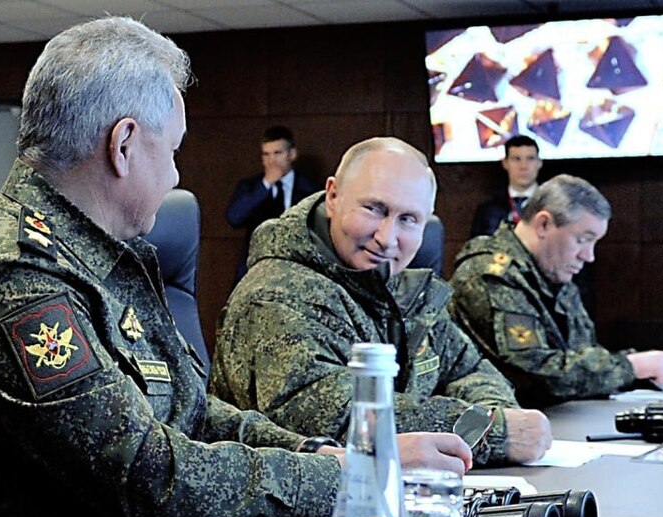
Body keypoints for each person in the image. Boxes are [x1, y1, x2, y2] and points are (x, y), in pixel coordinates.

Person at [0, 18, 471, 517]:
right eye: (172, 151)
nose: (175, 176)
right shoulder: (12, 274)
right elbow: (147, 476)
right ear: (123, 144)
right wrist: (353, 479)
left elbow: (194, 412)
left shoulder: (107, 255)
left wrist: (325, 457)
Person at [210, 137, 552, 467]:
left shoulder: (397, 285)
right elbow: (336, 420)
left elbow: (469, 369)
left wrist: (497, 415)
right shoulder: (276, 295)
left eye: (408, 219)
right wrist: (492, 430)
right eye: (374, 209)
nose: (387, 239)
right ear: (333, 196)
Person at [450, 174, 663, 407]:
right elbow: (535, 373)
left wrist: (657, 365)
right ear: (543, 224)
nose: (588, 256)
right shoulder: (490, 274)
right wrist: (631, 367)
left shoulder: (552, 272)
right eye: (582, 240)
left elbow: (581, 357)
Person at [225, 126, 320, 281]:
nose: (271, 161)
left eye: (277, 153)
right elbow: (234, 217)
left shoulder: (311, 188)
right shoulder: (251, 187)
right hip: (256, 269)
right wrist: (266, 184)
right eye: (266, 154)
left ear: (292, 154)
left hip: (297, 270)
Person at [470, 135, 542, 238]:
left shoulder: (552, 206)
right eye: (516, 159)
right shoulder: (487, 211)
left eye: (530, 159)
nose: (523, 166)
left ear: (539, 163)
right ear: (505, 163)